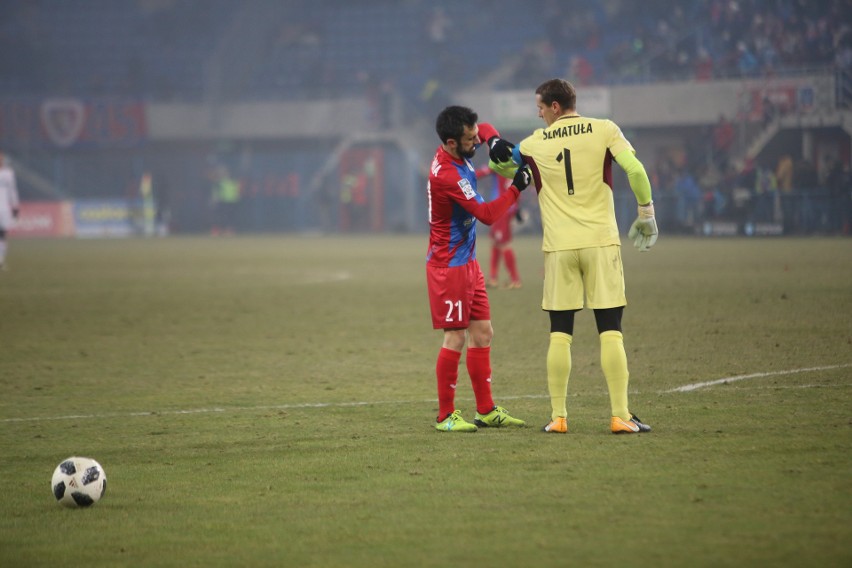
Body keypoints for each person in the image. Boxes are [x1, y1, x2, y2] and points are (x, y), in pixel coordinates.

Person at [488, 79, 656, 434]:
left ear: (554, 106)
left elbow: (503, 165)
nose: (537, 112)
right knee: (611, 330)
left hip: (559, 248)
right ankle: (619, 415)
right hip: (600, 242)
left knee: (559, 333)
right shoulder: (605, 129)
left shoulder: (534, 142)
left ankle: (559, 417)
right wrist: (646, 215)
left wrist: (496, 146)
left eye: (539, 106)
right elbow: (636, 171)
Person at [426, 105, 532, 432]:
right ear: (451, 142)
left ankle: (485, 410)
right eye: (470, 139)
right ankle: (445, 416)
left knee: (483, 333)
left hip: (468, 263)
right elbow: (486, 215)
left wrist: (493, 139)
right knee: (455, 337)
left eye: (476, 137)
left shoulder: (458, 149)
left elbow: (483, 125)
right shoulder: (447, 175)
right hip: (449, 266)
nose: (476, 141)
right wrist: (517, 187)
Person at [475, 165, 523, 289]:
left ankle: (515, 279)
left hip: (502, 209)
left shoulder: (496, 164)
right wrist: (517, 208)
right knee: (495, 242)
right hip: (506, 208)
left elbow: (477, 174)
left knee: (504, 244)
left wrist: (460, 175)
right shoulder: (513, 164)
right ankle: (493, 278)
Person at [0, 151, 20, 271]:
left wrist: (15, 207)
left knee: (2, 234)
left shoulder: (8, 174)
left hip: (3, 209)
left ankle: (1, 260)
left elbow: (13, 191)